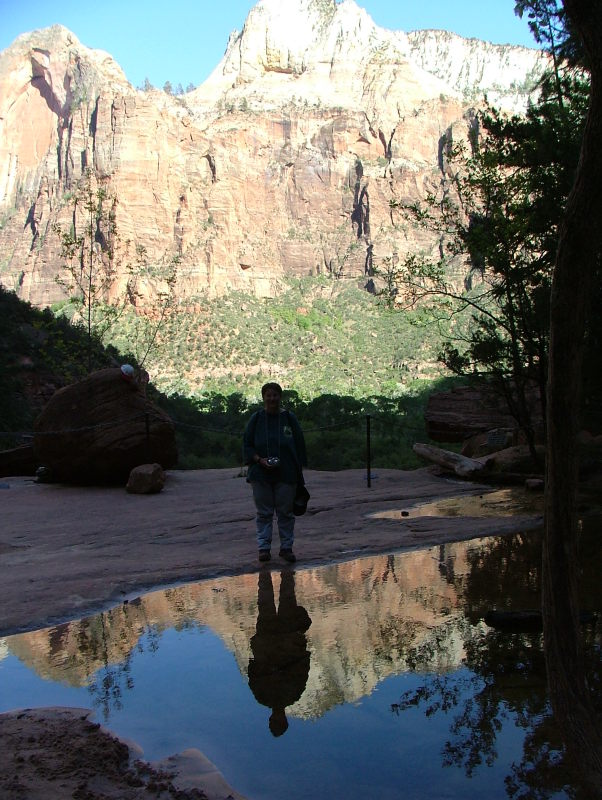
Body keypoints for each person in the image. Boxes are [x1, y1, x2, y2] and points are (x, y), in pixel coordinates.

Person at [243, 382, 307, 563]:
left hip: (286, 473)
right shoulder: (256, 419)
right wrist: (259, 460)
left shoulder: (289, 418)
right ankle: (264, 548)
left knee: (285, 512)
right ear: (263, 397)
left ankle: (286, 548)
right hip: (260, 474)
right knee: (264, 513)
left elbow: (299, 443)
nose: (272, 399)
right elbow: (247, 444)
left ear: (280, 397)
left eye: (275, 395)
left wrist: (299, 471)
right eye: (268, 395)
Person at [247, 570, 311, 736]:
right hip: (268, 640)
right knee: (266, 601)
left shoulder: (293, 695)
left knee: (286, 596)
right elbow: (252, 670)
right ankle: (266, 571)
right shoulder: (263, 697)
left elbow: (303, 666)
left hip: (285, 638)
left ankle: (281, 568)